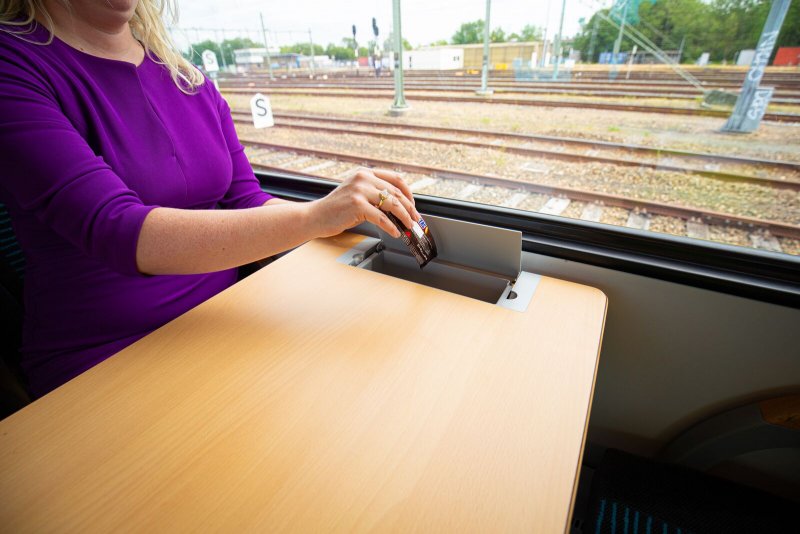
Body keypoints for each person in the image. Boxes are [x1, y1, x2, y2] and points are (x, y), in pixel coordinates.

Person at [0, 0, 420, 398]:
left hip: (224, 323)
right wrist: (316, 215)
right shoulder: (14, 63)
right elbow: (118, 229)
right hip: (104, 358)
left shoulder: (185, 77)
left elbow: (246, 199)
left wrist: (347, 214)